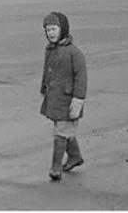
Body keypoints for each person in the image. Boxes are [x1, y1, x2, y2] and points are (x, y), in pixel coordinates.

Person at [40, 11, 87, 181]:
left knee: (60, 134)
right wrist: (44, 88)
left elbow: (81, 78)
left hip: (68, 101)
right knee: (64, 130)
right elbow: (47, 71)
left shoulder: (74, 53)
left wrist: (78, 100)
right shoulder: (50, 50)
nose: (50, 33)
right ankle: (75, 156)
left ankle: (56, 167)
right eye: (48, 30)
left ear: (63, 29)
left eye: (54, 29)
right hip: (54, 99)